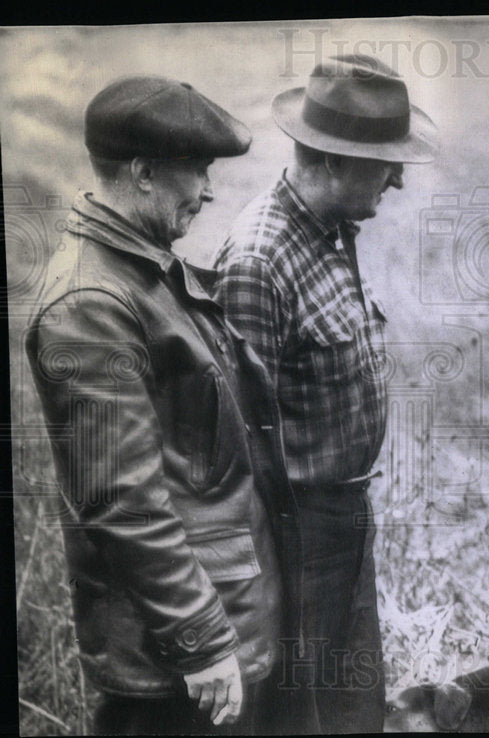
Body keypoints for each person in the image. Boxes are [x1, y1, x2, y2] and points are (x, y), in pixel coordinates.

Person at [25, 75, 303, 735]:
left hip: (209, 624)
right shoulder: (92, 304)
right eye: (198, 170)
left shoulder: (142, 270)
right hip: (171, 665)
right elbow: (124, 501)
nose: (208, 191)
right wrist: (201, 640)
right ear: (144, 172)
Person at [213, 54, 438, 732]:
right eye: (385, 162)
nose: (397, 179)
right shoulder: (259, 261)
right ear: (334, 162)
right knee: (297, 713)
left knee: (352, 706)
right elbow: (239, 449)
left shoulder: (336, 231)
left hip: (345, 516)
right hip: (294, 534)